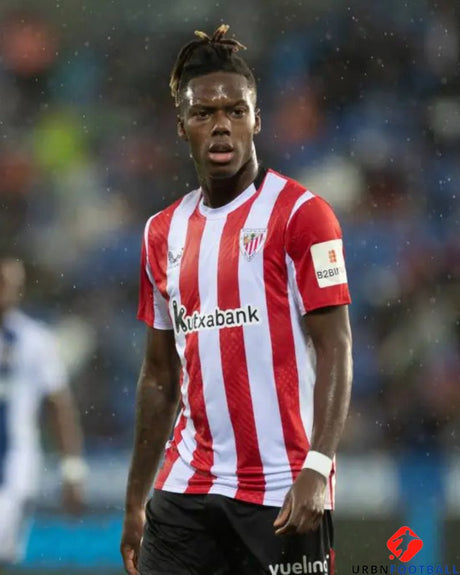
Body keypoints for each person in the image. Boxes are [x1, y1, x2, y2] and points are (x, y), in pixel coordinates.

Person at [121, 24, 352, 575]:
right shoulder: (161, 232)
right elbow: (159, 377)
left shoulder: (303, 215)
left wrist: (318, 465)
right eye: (204, 113)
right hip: (187, 486)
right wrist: (135, 499)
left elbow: (337, 348)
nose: (221, 124)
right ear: (182, 126)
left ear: (256, 120)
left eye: (236, 110)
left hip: (283, 488)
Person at [0, 255, 87, 569]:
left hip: (14, 465)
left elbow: (58, 405)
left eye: (11, 285)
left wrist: (72, 469)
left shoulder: (35, 340)